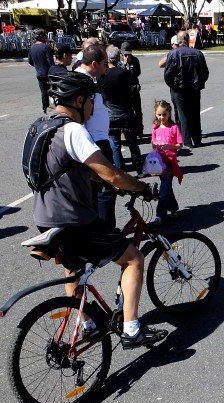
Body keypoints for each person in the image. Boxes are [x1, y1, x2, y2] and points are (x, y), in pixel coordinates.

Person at [38, 72, 167, 348]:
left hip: (45, 217)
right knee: (133, 259)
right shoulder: (73, 130)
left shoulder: (40, 126)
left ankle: (88, 324)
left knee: (74, 268)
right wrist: (140, 187)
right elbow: (111, 173)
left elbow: (70, 168)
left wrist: (105, 183)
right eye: (91, 102)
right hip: (75, 220)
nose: (92, 109)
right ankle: (132, 330)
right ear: (79, 101)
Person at [73, 44, 118, 228]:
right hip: (95, 143)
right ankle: (106, 233)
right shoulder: (83, 82)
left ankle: (98, 231)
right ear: (94, 64)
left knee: (94, 192)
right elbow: (81, 117)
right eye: (104, 63)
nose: (107, 67)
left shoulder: (84, 79)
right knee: (105, 190)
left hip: (94, 141)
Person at [163, 30, 209, 149]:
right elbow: (205, 73)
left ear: (178, 41)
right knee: (195, 113)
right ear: (188, 40)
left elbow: (168, 74)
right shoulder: (197, 53)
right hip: (193, 88)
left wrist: (174, 86)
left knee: (183, 114)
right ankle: (197, 139)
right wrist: (199, 84)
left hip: (180, 89)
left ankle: (187, 141)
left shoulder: (174, 53)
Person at [99, 45, 141, 174]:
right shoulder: (124, 73)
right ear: (119, 57)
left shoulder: (102, 76)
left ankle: (120, 170)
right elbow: (132, 91)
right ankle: (138, 167)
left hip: (110, 114)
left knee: (115, 144)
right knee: (132, 142)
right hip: (126, 112)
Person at [150, 100, 184, 225]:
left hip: (169, 163)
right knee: (167, 187)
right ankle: (174, 208)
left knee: (164, 189)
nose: (162, 117)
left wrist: (170, 146)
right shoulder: (155, 128)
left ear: (169, 113)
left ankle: (160, 215)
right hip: (159, 163)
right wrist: (154, 146)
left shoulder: (173, 128)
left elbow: (180, 145)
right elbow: (153, 144)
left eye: (164, 114)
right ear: (155, 114)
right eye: (159, 115)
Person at [27, 29, 54, 114]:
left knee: (44, 92)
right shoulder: (46, 47)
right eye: (45, 36)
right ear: (41, 37)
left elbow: (30, 61)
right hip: (48, 73)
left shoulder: (32, 48)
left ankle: (45, 108)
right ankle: (55, 107)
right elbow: (50, 62)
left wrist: (37, 66)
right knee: (53, 91)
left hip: (39, 73)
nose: (46, 38)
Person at [120, 41, 143, 136]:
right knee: (125, 111)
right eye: (125, 54)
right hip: (124, 90)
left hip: (134, 89)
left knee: (137, 110)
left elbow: (138, 73)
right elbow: (119, 75)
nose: (127, 56)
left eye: (128, 54)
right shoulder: (119, 61)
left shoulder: (135, 60)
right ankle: (126, 130)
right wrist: (124, 65)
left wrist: (130, 66)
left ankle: (139, 129)